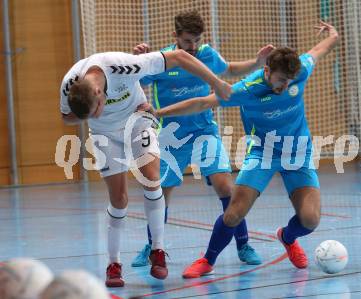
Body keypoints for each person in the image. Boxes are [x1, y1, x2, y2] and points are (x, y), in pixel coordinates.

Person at [156, 20, 340, 278]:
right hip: (263, 153)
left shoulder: (300, 71)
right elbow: (201, 103)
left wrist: (333, 34)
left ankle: (287, 237)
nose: (284, 87)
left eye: (289, 82)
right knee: (232, 215)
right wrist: (158, 113)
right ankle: (208, 260)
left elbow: (319, 50)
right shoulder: (246, 89)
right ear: (267, 71)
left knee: (310, 220)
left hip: (297, 153)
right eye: (279, 80)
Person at [59, 48, 231, 286]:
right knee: (119, 199)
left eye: (96, 108)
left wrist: (216, 82)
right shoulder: (69, 86)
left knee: (152, 180)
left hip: (137, 121)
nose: (96, 114)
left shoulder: (123, 66)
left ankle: (157, 251)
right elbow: (66, 116)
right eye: (91, 114)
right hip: (104, 135)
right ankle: (113, 264)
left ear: (99, 91)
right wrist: (85, 118)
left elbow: (179, 56)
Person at [131, 10, 274, 267]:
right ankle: (153, 247)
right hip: (171, 137)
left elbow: (229, 69)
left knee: (227, 188)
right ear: (175, 37)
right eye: (188, 41)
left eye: (197, 40)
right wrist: (138, 60)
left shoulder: (206, 54)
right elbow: (134, 80)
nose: (193, 46)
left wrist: (256, 62)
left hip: (205, 131)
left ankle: (243, 243)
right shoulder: (163, 60)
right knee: (160, 193)